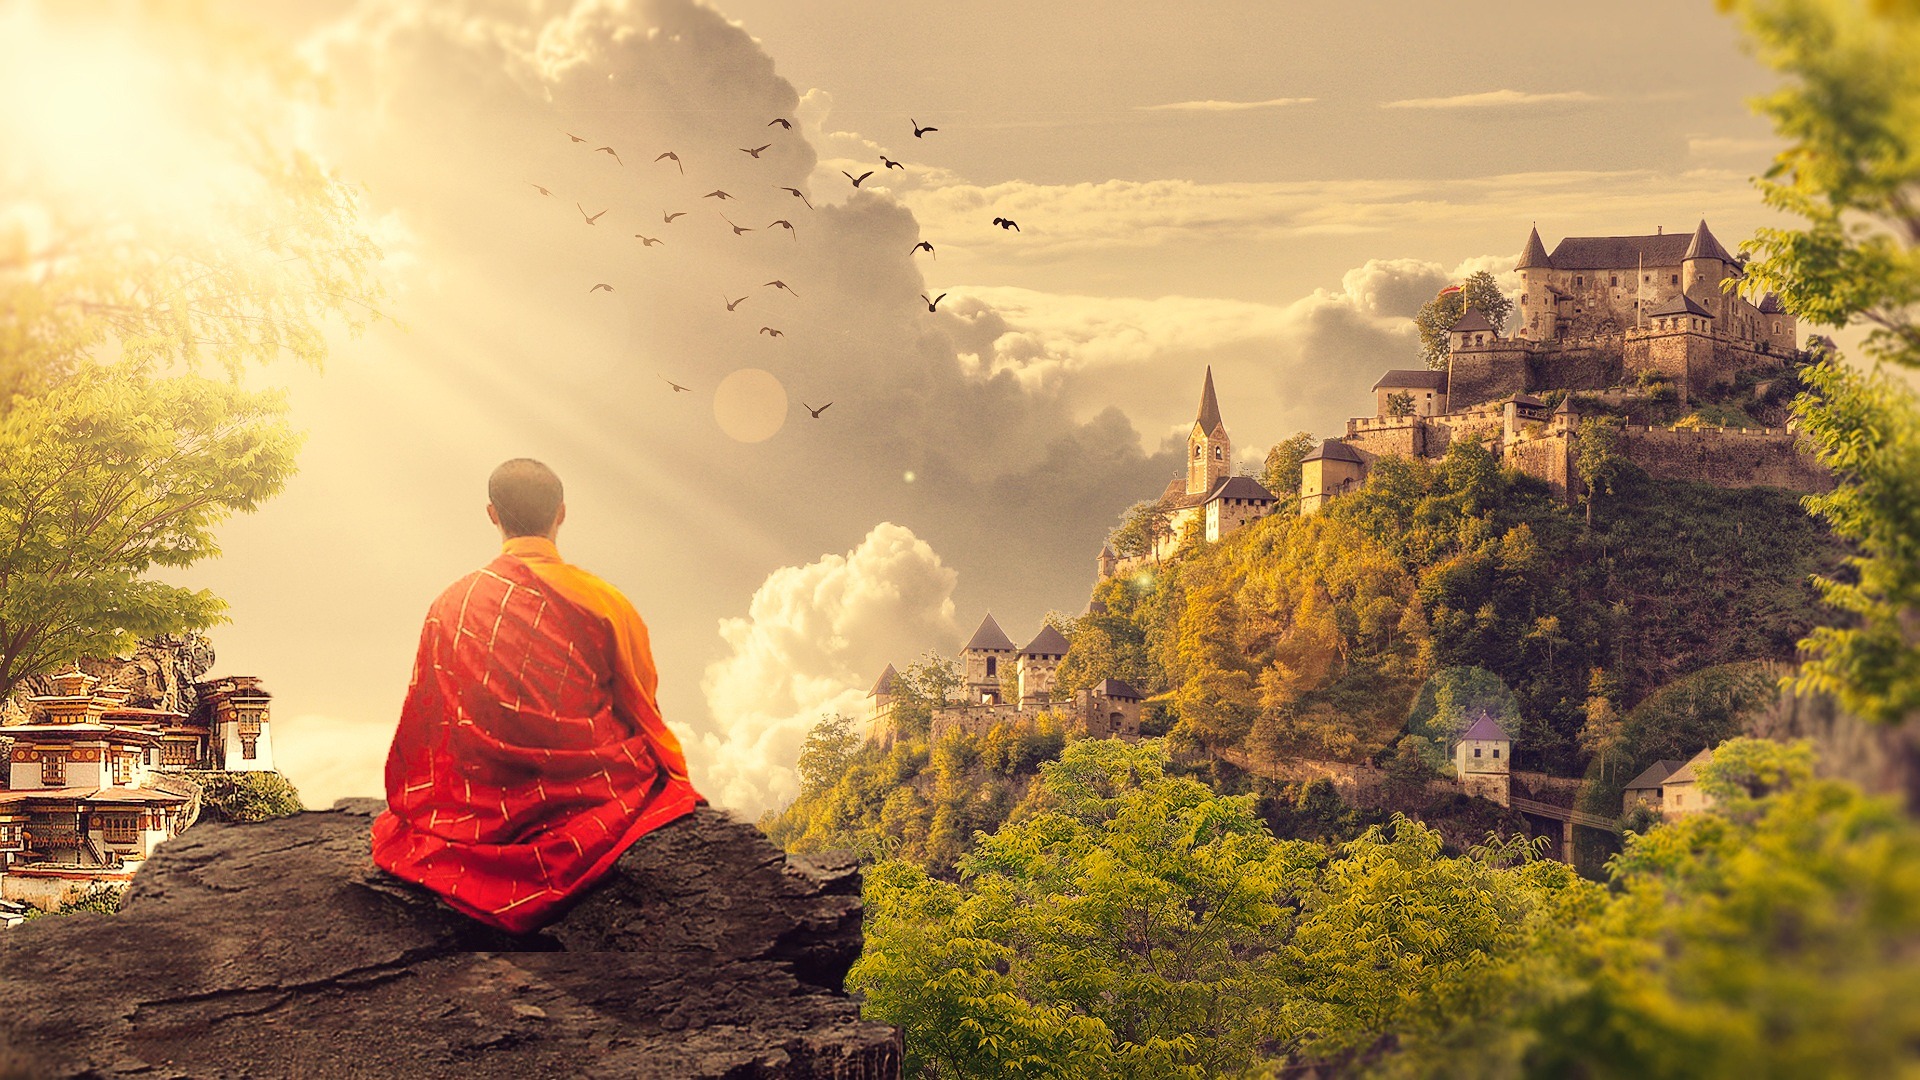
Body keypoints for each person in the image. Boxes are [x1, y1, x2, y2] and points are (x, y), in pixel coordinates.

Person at [370, 458, 704, 933]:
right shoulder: (604, 600)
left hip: (472, 805)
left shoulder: (450, 605)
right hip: (590, 792)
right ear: (561, 513)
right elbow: (640, 705)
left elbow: (426, 721)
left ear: (492, 514)